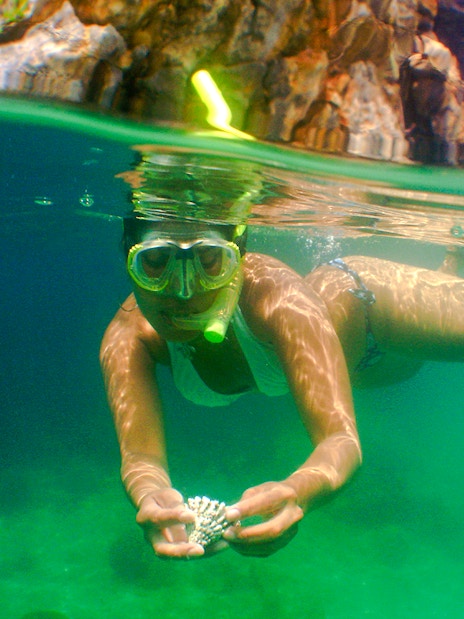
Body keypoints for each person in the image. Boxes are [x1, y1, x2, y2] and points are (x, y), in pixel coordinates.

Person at [100, 209, 464, 560]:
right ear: (128, 257)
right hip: (369, 371)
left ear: (238, 255)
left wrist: (298, 490)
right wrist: (149, 493)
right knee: (410, 363)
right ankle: (451, 268)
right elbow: (141, 460)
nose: (182, 291)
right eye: (156, 261)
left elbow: (341, 441)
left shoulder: (276, 297)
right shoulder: (128, 338)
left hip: (376, 309)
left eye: (210, 260)